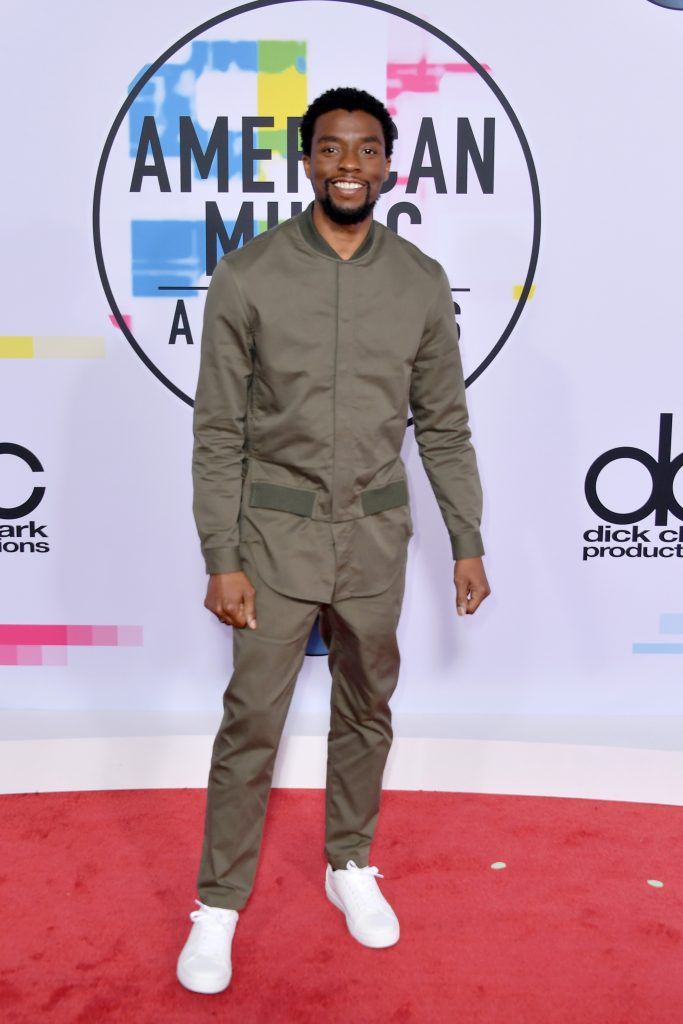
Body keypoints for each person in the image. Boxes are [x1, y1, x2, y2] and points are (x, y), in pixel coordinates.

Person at [177, 86, 490, 995]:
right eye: (330, 149)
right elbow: (217, 433)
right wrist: (220, 556)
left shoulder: (420, 280)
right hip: (272, 534)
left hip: (378, 534)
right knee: (251, 723)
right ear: (306, 162)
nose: (347, 164)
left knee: (366, 707)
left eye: (364, 149)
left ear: (388, 164)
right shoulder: (248, 274)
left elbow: (444, 425)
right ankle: (217, 905)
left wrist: (466, 538)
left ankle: (347, 861)